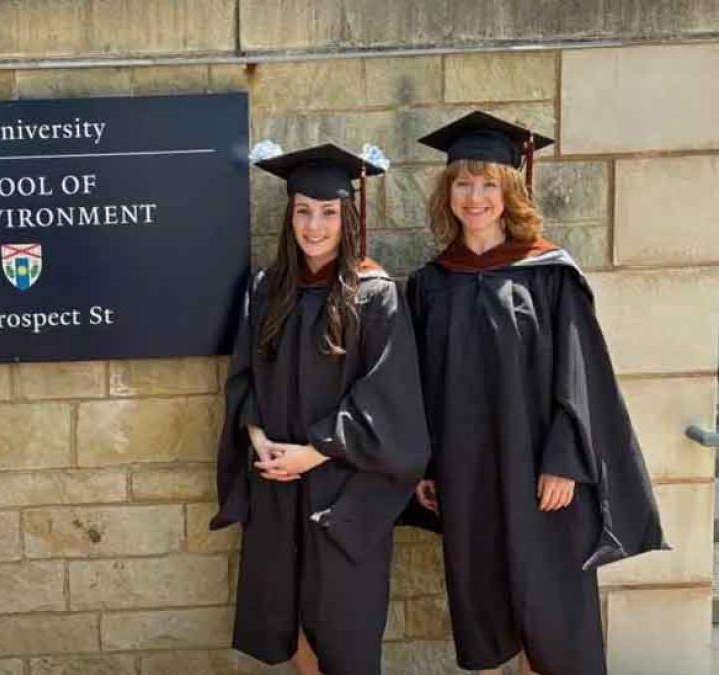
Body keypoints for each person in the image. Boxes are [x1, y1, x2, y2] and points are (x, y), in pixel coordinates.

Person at [406, 111, 666, 675]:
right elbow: (420, 384)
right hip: (467, 475)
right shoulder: (430, 284)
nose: (474, 197)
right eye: (463, 182)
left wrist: (565, 462)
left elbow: (581, 375)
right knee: (490, 600)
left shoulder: (549, 275)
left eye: (488, 183)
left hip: (541, 476)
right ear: (447, 190)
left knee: (552, 612)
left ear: (511, 190)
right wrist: (425, 466)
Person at [211, 143, 430, 675]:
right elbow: (244, 379)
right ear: (289, 216)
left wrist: (312, 453)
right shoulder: (267, 291)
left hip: (345, 494)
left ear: (347, 218)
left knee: (345, 634)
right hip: (276, 485)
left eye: (328, 213)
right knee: (289, 627)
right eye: (304, 211)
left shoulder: (376, 296)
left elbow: (389, 399)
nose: (314, 226)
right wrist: (259, 441)